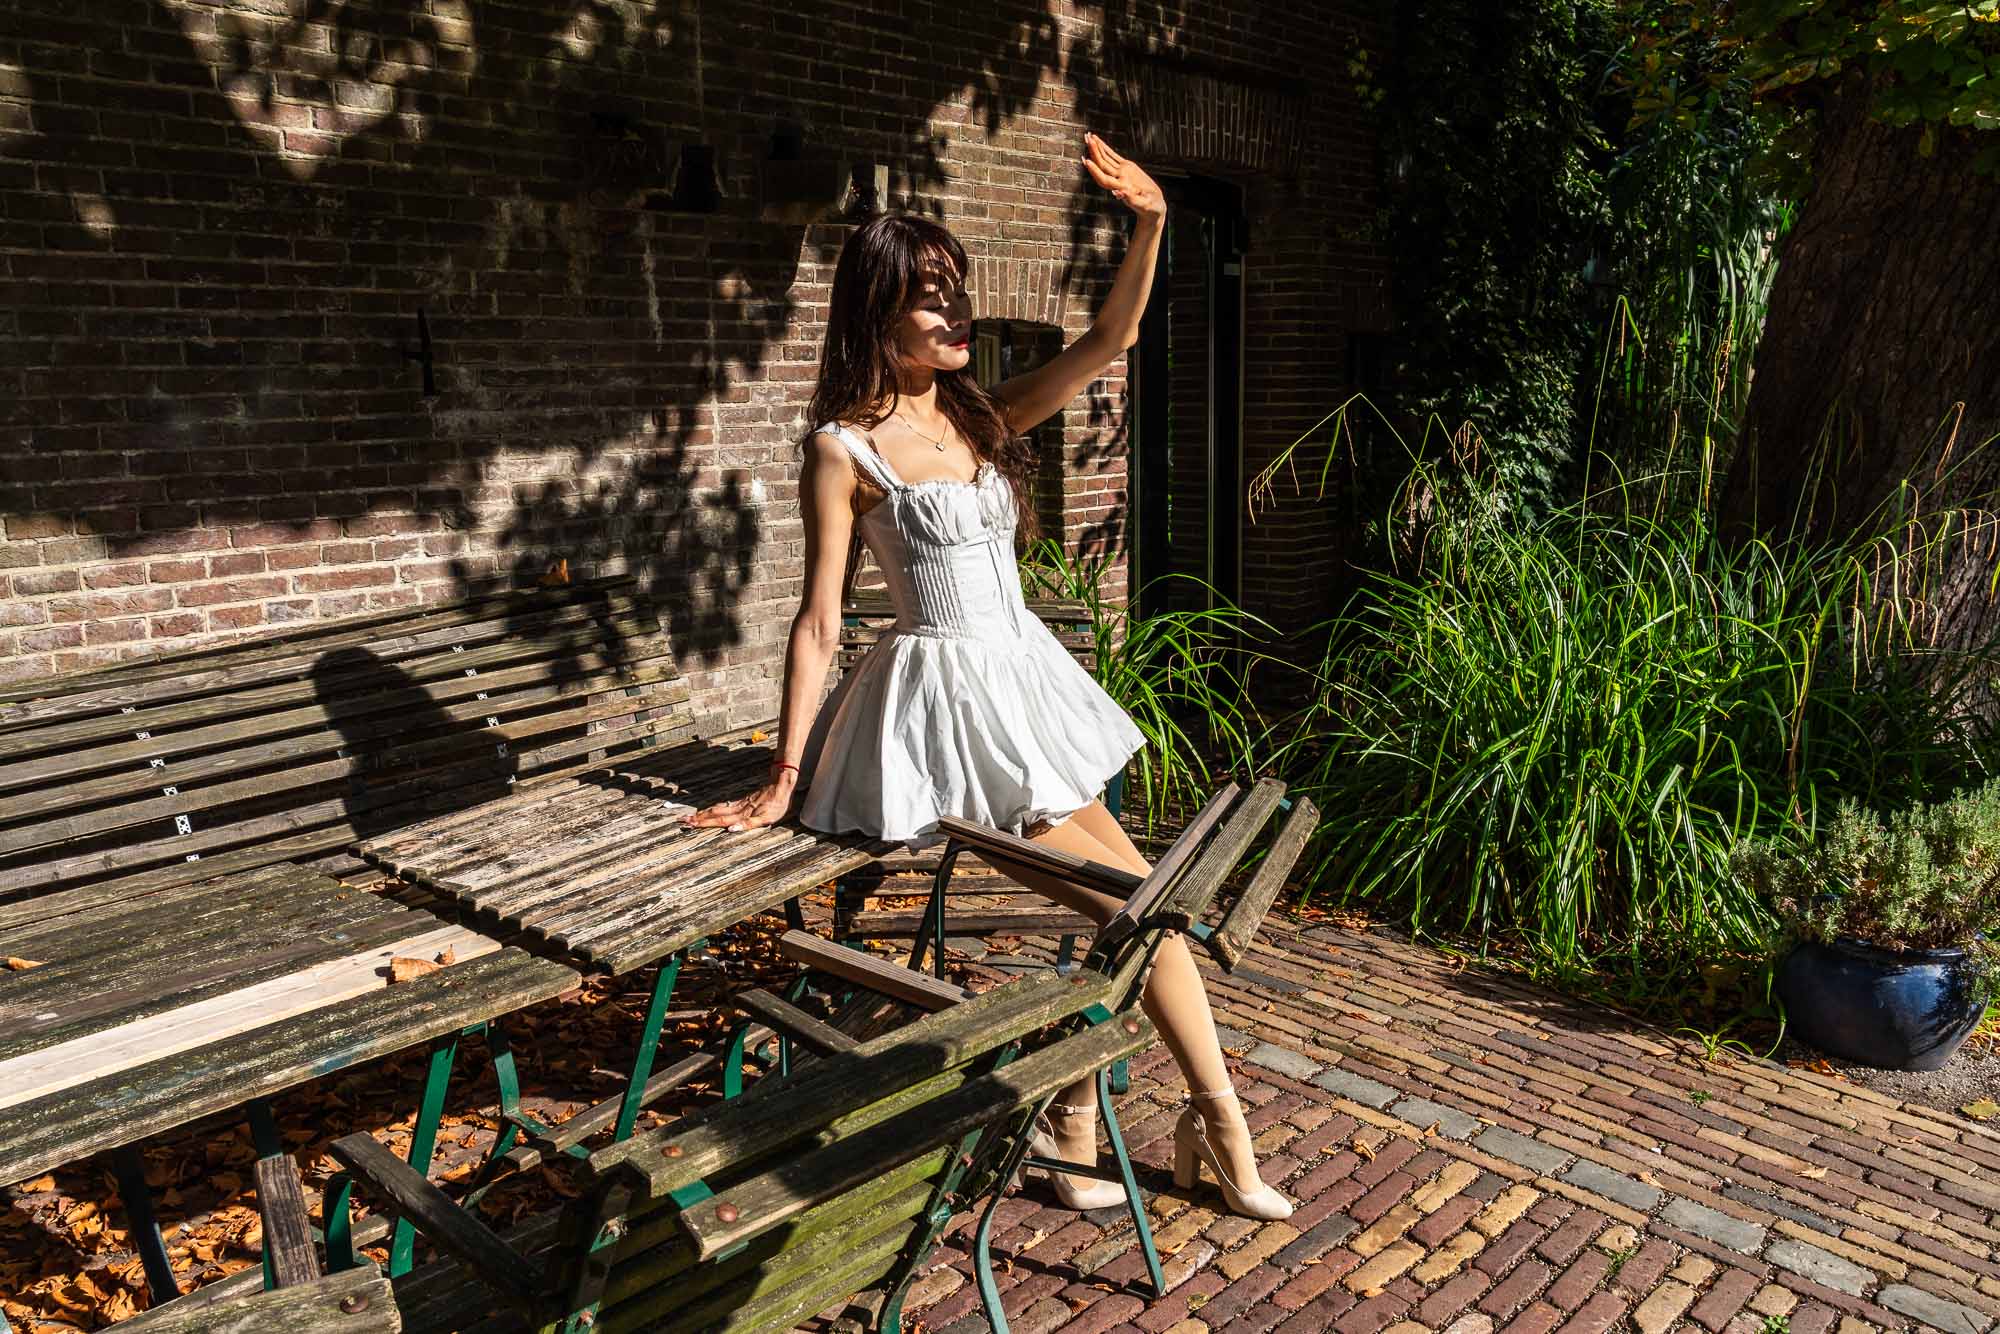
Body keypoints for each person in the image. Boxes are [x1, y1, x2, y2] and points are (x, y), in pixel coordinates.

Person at [688, 133, 1291, 1221]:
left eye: (955, 291)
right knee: (1140, 910)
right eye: (930, 298)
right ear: (876, 314)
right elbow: (819, 618)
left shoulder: (979, 414)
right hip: (951, 717)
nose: (955, 313)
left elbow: (1112, 337)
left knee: (1140, 909)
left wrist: (1152, 221)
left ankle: (1078, 1115)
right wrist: (784, 772)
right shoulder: (843, 448)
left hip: (1025, 694)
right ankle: (1215, 1121)